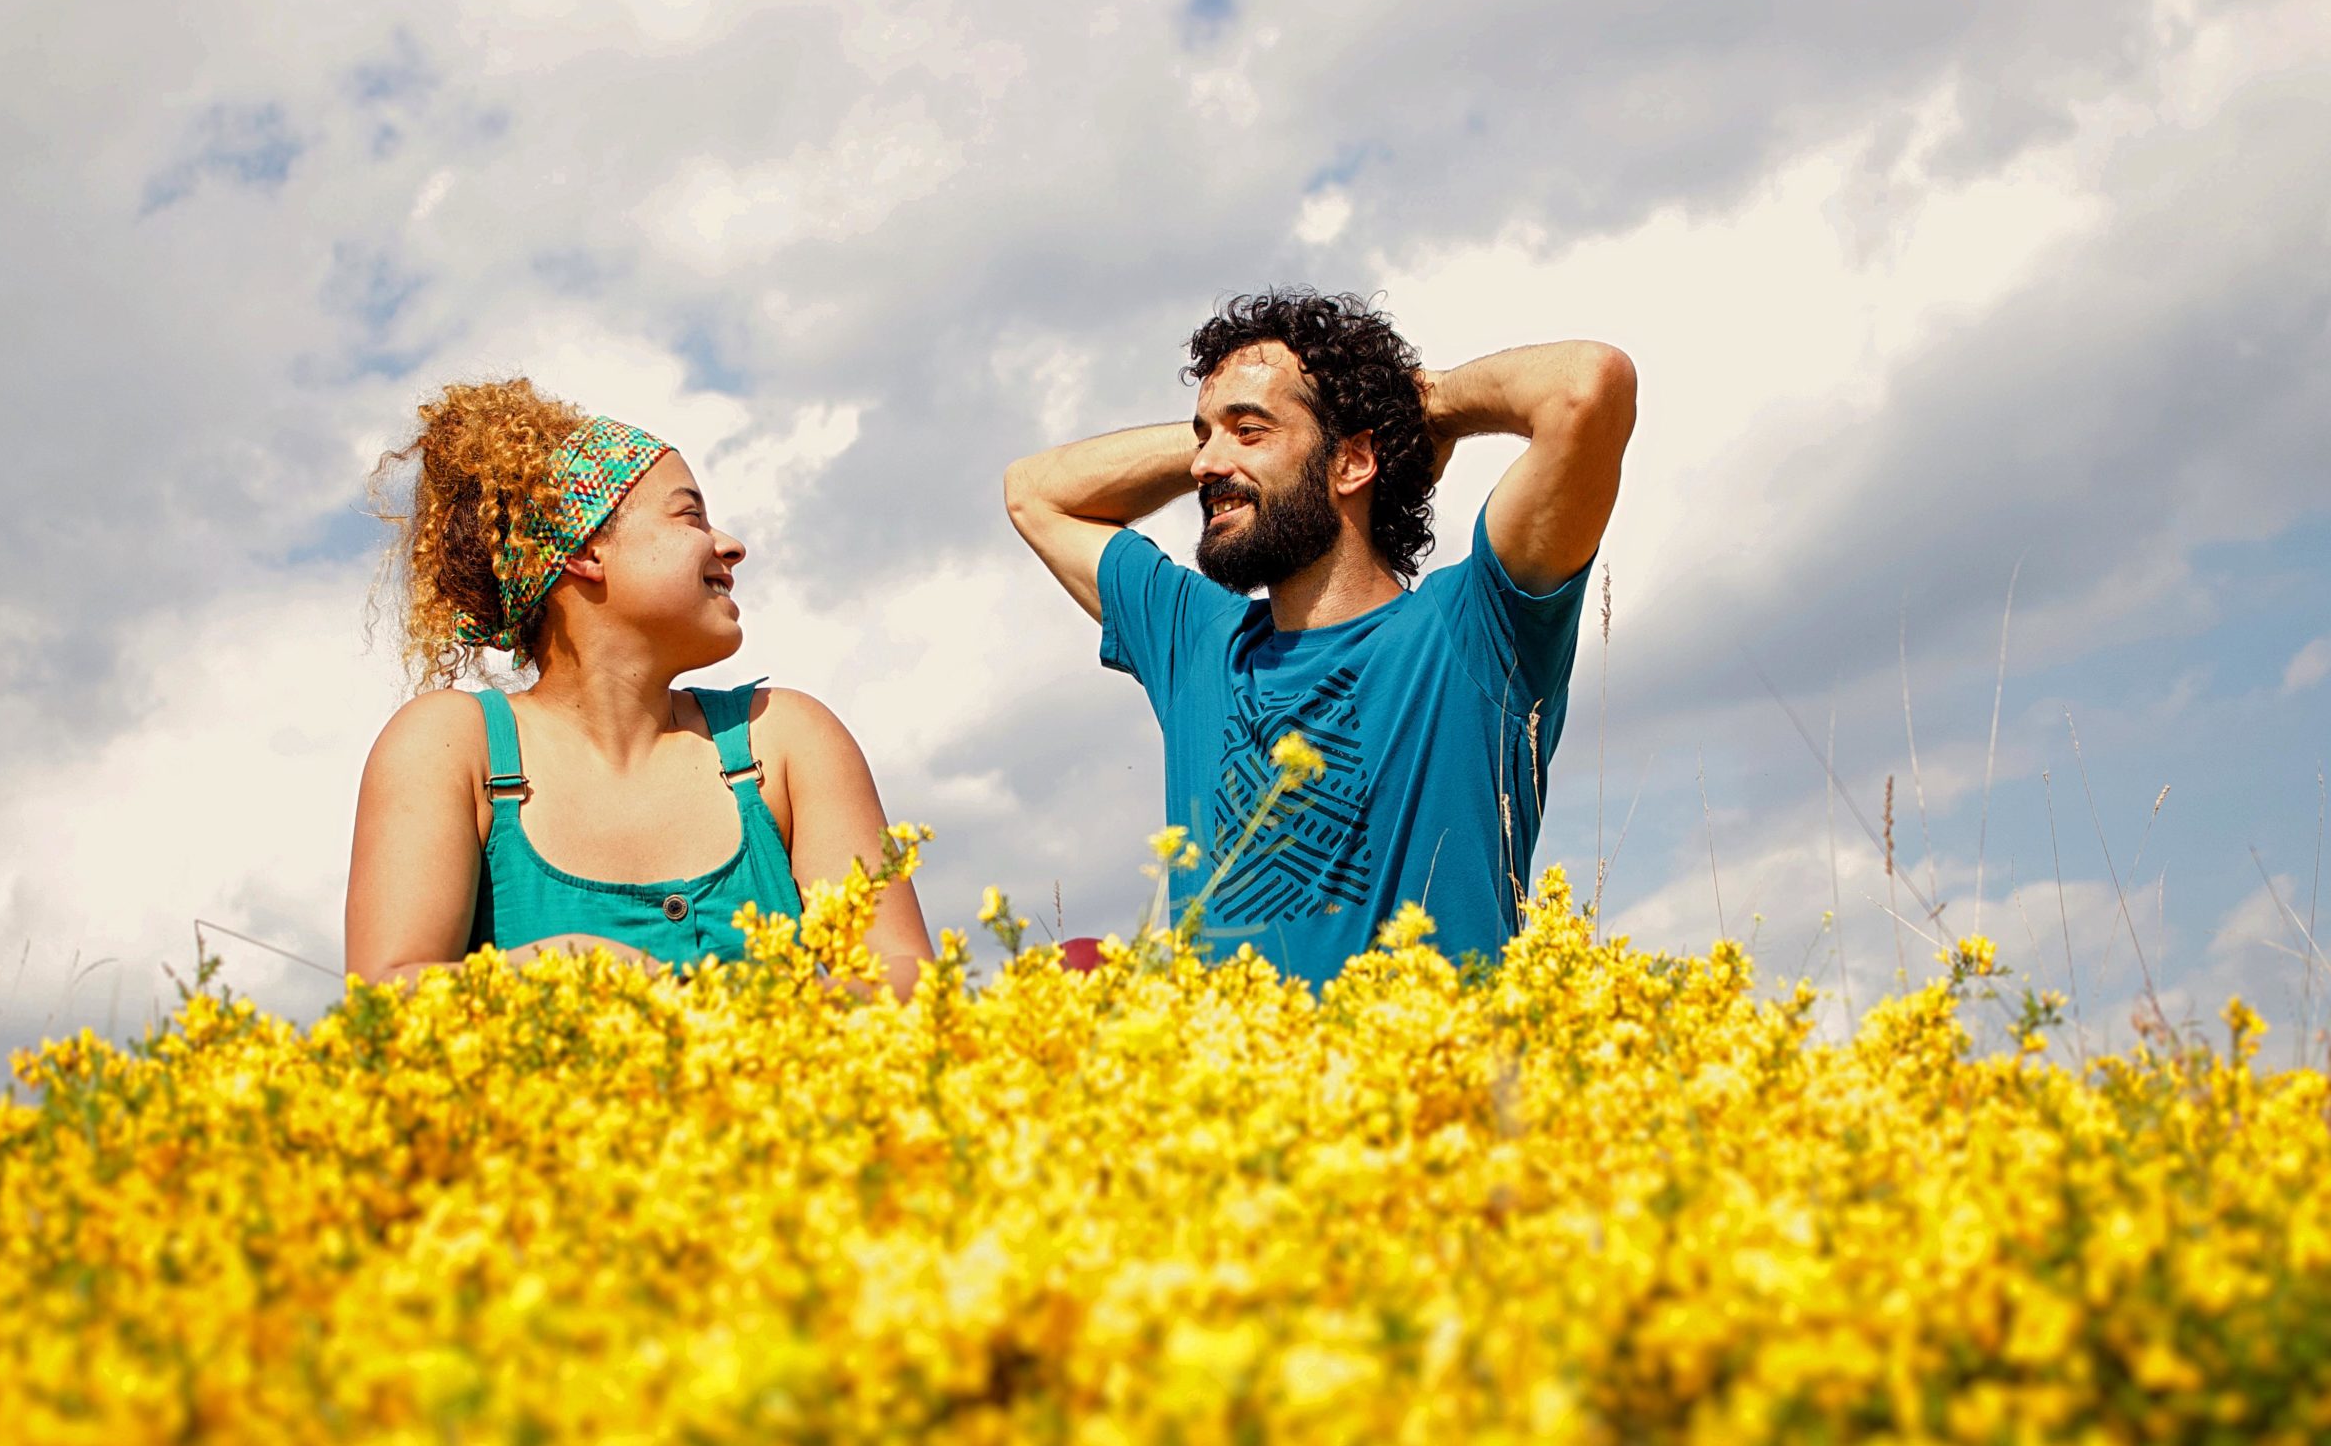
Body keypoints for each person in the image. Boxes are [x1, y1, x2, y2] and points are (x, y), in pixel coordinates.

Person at [1002, 289, 1635, 982]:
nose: (1203, 467)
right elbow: (1033, 491)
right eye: (1203, 437)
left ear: (1352, 461)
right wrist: (1229, 442)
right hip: (1216, 1057)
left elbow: (1587, 385)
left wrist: (1419, 403)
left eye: (1250, 430)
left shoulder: (1473, 631)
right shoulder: (1198, 642)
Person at [346, 378, 932, 996]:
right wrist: (576, 968)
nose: (731, 546)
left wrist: (721, 1010)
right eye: (690, 516)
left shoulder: (784, 741)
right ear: (584, 551)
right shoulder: (450, 744)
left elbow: (908, 983)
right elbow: (389, 994)